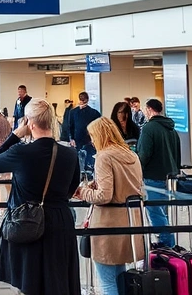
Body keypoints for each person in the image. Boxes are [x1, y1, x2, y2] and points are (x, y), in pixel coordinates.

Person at [0, 99, 81, 295]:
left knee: (30, 281)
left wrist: (15, 135)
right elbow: (71, 189)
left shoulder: (21, 152)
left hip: (28, 221)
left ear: (30, 123)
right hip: (61, 220)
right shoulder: (70, 154)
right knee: (58, 280)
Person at [73, 118, 145, 295]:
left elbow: (104, 196)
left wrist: (82, 192)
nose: (91, 141)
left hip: (107, 224)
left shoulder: (104, 157)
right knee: (119, 276)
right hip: (130, 221)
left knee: (106, 281)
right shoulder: (131, 155)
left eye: (92, 136)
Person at [135, 98, 180, 248]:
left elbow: (144, 154)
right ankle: (166, 242)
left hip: (152, 177)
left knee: (155, 213)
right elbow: (177, 153)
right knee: (163, 212)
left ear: (148, 110)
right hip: (169, 176)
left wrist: (137, 170)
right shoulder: (172, 129)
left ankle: (166, 243)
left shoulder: (149, 128)